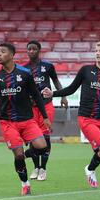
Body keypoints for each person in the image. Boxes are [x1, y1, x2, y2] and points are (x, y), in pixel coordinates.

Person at [0, 43, 51, 196]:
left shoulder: (25, 73)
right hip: (8, 122)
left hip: (28, 120)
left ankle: (24, 157)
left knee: (42, 146)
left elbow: (36, 95)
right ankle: (25, 184)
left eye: (2, 52)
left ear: (12, 55)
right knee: (19, 155)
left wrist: (45, 117)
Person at [42, 41, 100, 191]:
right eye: (96, 50)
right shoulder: (86, 70)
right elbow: (72, 89)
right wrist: (53, 94)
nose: (97, 53)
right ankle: (90, 169)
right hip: (87, 118)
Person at [23, 40, 68, 181]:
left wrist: (63, 96)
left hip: (46, 105)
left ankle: (44, 169)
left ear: (39, 50)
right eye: (29, 49)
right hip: (31, 108)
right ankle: (36, 167)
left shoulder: (48, 66)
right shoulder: (23, 69)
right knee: (33, 137)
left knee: (45, 136)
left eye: (34, 49)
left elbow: (55, 81)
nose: (31, 51)